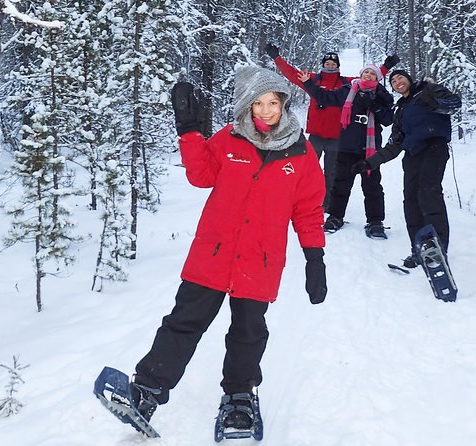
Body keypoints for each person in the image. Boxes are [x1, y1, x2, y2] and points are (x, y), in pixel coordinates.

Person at [104, 65, 327, 433]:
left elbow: (308, 210)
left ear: (284, 104)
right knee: (183, 322)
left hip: (260, 259)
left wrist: (314, 258)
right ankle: (146, 389)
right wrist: (189, 132)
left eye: (274, 102)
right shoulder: (230, 139)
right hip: (214, 253)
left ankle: (239, 396)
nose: (267, 110)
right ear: (247, 107)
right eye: (258, 103)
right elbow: (201, 176)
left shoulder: (301, 153)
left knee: (249, 330)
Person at [265, 45, 399, 210]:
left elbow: (369, 79)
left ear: (338, 66)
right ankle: (300, 199)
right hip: (316, 135)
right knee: (307, 169)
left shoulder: (346, 83)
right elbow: (292, 74)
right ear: (323, 64)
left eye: (333, 64)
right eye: (327, 63)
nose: (330, 66)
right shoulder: (312, 80)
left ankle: (326, 204)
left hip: (337, 137)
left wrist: (386, 67)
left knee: (331, 173)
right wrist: (277, 58)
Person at [351, 69, 462, 266]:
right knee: (411, 201)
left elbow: (454, 104)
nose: (397, 82)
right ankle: (419, 249)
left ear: (409, 79)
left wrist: (436, 104)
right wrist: (370, 162)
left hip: (434, 147)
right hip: (412, 155)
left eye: (400, 77)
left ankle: (438, 249)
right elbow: (395, 144)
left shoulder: (428, 90)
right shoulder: (400, 110)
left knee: (429, 193)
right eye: (393, 81)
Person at [297, 64, 394, 238]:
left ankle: (375, 222)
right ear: (361, 74)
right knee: (340, 184)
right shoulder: (348, 90)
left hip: (370, 150)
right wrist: (308, 84)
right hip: (348, 146)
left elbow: (387, 120)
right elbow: (325, 97)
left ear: (378, 78)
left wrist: (374, 105)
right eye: (366, 72)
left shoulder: (382, 94)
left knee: (372, 187)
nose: (369, 75)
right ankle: (335, 217)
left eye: (373, 73)